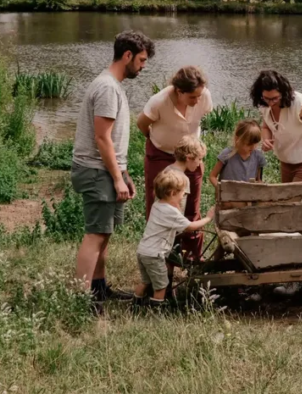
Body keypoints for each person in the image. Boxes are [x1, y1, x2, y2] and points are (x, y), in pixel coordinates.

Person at [71, 30, 155, 310]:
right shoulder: (107, 87)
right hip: (96, 171)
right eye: (142, 60)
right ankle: (81, 299)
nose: (143, 66)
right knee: (95, 234)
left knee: (104, 233)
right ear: (127, 55)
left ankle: (98, 289)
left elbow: (112, 142)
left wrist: (124, 174)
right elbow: (102, 137)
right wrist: (117, 178)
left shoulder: (113, 85)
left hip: (107, 170)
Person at [137, 66, 213, 261]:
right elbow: (142, 123)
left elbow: (200, 117)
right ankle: (163, 253)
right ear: (179, 91)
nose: (198, 100)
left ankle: (192, 255)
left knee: (191, 204)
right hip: (161, 154)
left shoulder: (203, 96)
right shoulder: (159, 101)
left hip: (190, 156)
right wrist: (156, 139)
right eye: (192, 97)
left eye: (199, 95)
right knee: (161, 202)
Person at [133, 167, 215, 310]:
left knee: (145, 282)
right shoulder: (170, 212)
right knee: (161, 285)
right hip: (154, 255)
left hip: (143, 251)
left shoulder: (157, 205)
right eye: (182, 193)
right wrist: (208, 218)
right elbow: (190, 226)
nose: (183, 197)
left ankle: (135, 306)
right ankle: (156, 312)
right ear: (172, 193)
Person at [250, 70, 302, 183]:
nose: (271, 103)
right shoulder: (265, 105)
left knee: (297, 199)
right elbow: (266, 126)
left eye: (275, 98)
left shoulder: (301, 105)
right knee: (286, 199)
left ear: (283, 93)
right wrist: (266, 139)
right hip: (285, 163)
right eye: (266, 98)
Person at [209, 119, 266, 188]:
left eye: (255, 144)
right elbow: (212, 176)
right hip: (227, 197)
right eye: (249, 144)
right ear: (238, 139)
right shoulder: (227, 154)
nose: (253, 147)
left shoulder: (258, 157)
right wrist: (220, 189)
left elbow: (258, 180)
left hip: (249, 197)